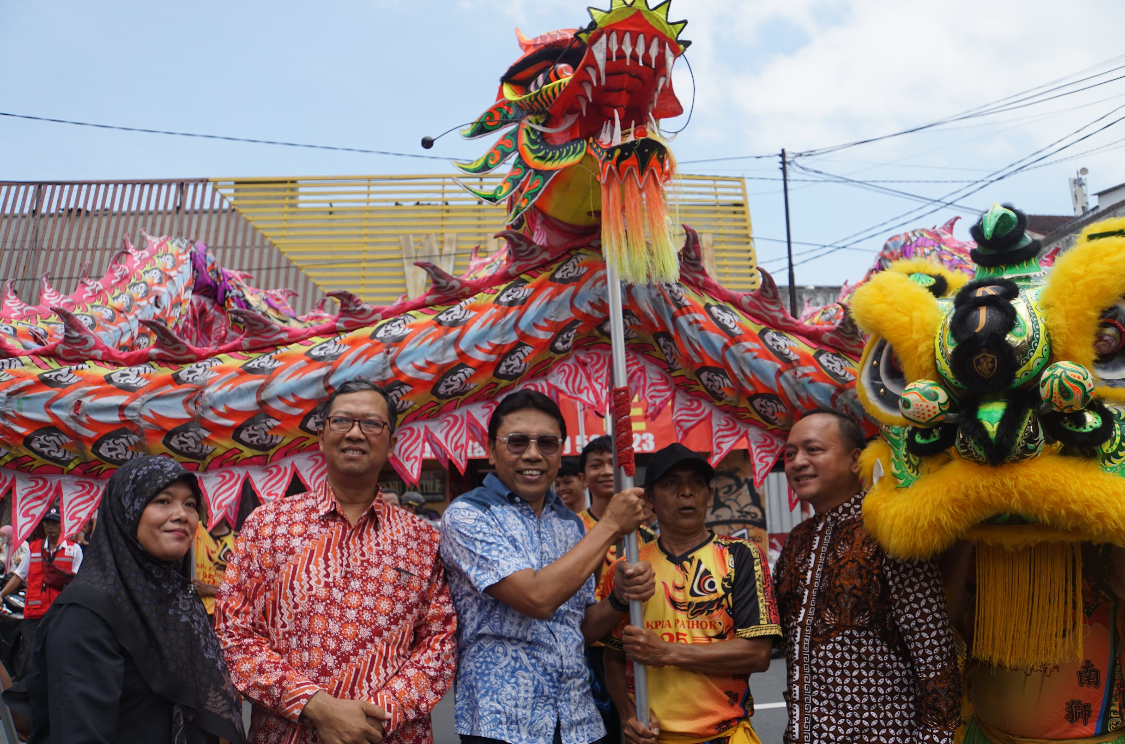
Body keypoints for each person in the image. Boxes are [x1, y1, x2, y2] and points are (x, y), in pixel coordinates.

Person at [216, 378, 457, 744]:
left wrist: (371, 720)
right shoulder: (268, 525)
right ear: (322, 436)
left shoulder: (423, 540)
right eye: (342, 421)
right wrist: (316, 706)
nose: (355, 433)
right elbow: (234, 635)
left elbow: (440, 643)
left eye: (371, 423)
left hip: (389, 735)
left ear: (391, 442)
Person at [440, 390, 656, 744]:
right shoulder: (468, 515)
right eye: (517, 442)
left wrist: (617, 598)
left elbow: (579, 628)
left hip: (579, 720)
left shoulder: (571, 525)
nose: (532, 454)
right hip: (504, 724)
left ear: (559, 454)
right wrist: (610, 525)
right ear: (492, 451)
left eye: (547, 443)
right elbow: (537, 598)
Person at [22, 455, 245, 743]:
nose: (182, 514)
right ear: (127, 510)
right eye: (163, 500)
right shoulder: (86, 616)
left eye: (190, 504)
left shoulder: (175, 600)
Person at [773, 409, 960, 743]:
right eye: (790, 454)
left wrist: (935, 736)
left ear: (855, 460)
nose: (797, 462)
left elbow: (933, 649)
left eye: (813, 450)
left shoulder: (887, 530)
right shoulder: (796, 542)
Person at [604, 443, 781, 744]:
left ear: (709, 496)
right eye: (671, 482)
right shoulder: (629, 569)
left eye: (696, 483)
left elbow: (758, 654)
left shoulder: (741, 556)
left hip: (726, 735)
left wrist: (667, 652)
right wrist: (628, 713)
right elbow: (613, 655)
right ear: (649, 499)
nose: (686, 492)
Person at [576, 436, 658, 744]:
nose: (607, 471)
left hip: (637, 652)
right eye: (597, 465)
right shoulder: (574, 529)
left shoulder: (648, 536)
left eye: (614, 463)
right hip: (591, 657)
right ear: (583, 477)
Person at [0, 506, 83, 676]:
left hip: (60, 613)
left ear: (62, 525)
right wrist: (1, 595)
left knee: (57, 656)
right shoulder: (34, 548)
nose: (50, 526)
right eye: (47, 523)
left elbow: (80, 582)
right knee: (29, 656)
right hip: (34, 614)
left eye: (54, 523)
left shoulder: (74, 550)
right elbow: (18, 576)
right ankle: (25, 695)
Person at [192, 516, 238, 619]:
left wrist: (209, 590)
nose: (213, 505)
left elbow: (242, 595)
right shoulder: (191, 531)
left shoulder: (239, 542)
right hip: (192, 613)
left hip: (224, 617)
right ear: (202, 499)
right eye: (209, 499)